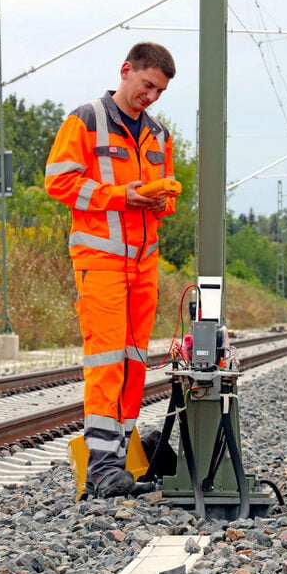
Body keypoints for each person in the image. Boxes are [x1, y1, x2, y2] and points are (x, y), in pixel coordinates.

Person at [45, 42, 178, 499]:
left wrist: (161, 200)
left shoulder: (159, 135)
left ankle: (121, 458)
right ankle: (102, 465)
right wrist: (122, 195)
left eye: (159, 91)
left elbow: (166, 203)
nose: (151, 97)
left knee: (133, 362)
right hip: (100, 261)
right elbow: (58, 181)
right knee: (105, 361)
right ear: (126, 71)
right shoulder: (86, 120)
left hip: (143, 264)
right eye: (147, 86)